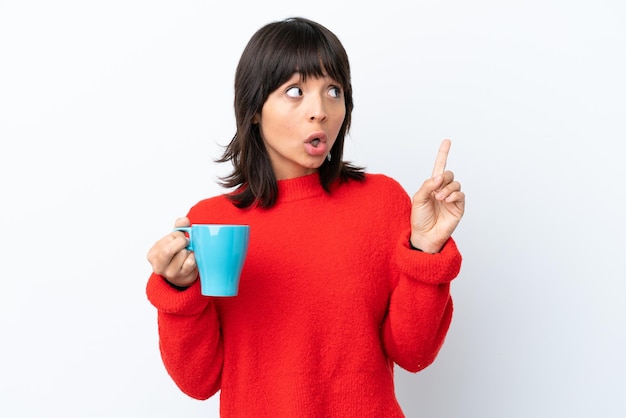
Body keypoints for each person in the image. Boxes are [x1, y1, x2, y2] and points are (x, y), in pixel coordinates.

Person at [146, 16, 465, 417]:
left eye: (333, 90)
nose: (320, 111)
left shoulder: (383, 203)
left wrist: (425, 250)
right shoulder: (212, 225)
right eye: (295, 91)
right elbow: (199, 382)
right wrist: (178, 290)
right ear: (255, 109)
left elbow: (414, 354)